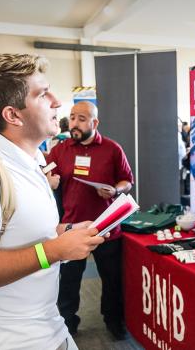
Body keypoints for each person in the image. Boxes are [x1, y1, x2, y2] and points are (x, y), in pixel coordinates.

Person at [0, 53, 106, 350]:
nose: (57, 102)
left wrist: (65, 234)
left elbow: (22, 235)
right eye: (43, 94)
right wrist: (54, 250)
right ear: (13, 115)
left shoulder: (33, 163)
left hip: (47, 324)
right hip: (8, 339)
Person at [46, 101, 134, 340]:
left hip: (106, 227)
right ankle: (68, 324)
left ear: (95, 123)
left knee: (112, 281)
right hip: (71, 229)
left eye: (81, 119)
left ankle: (114, 321)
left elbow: (127, 180)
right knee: (69, 283)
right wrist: (47, 178)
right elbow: (47, 173)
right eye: (72, 117)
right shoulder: (60, 150)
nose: (74, 123)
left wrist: (116, 190)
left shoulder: (112, 149)